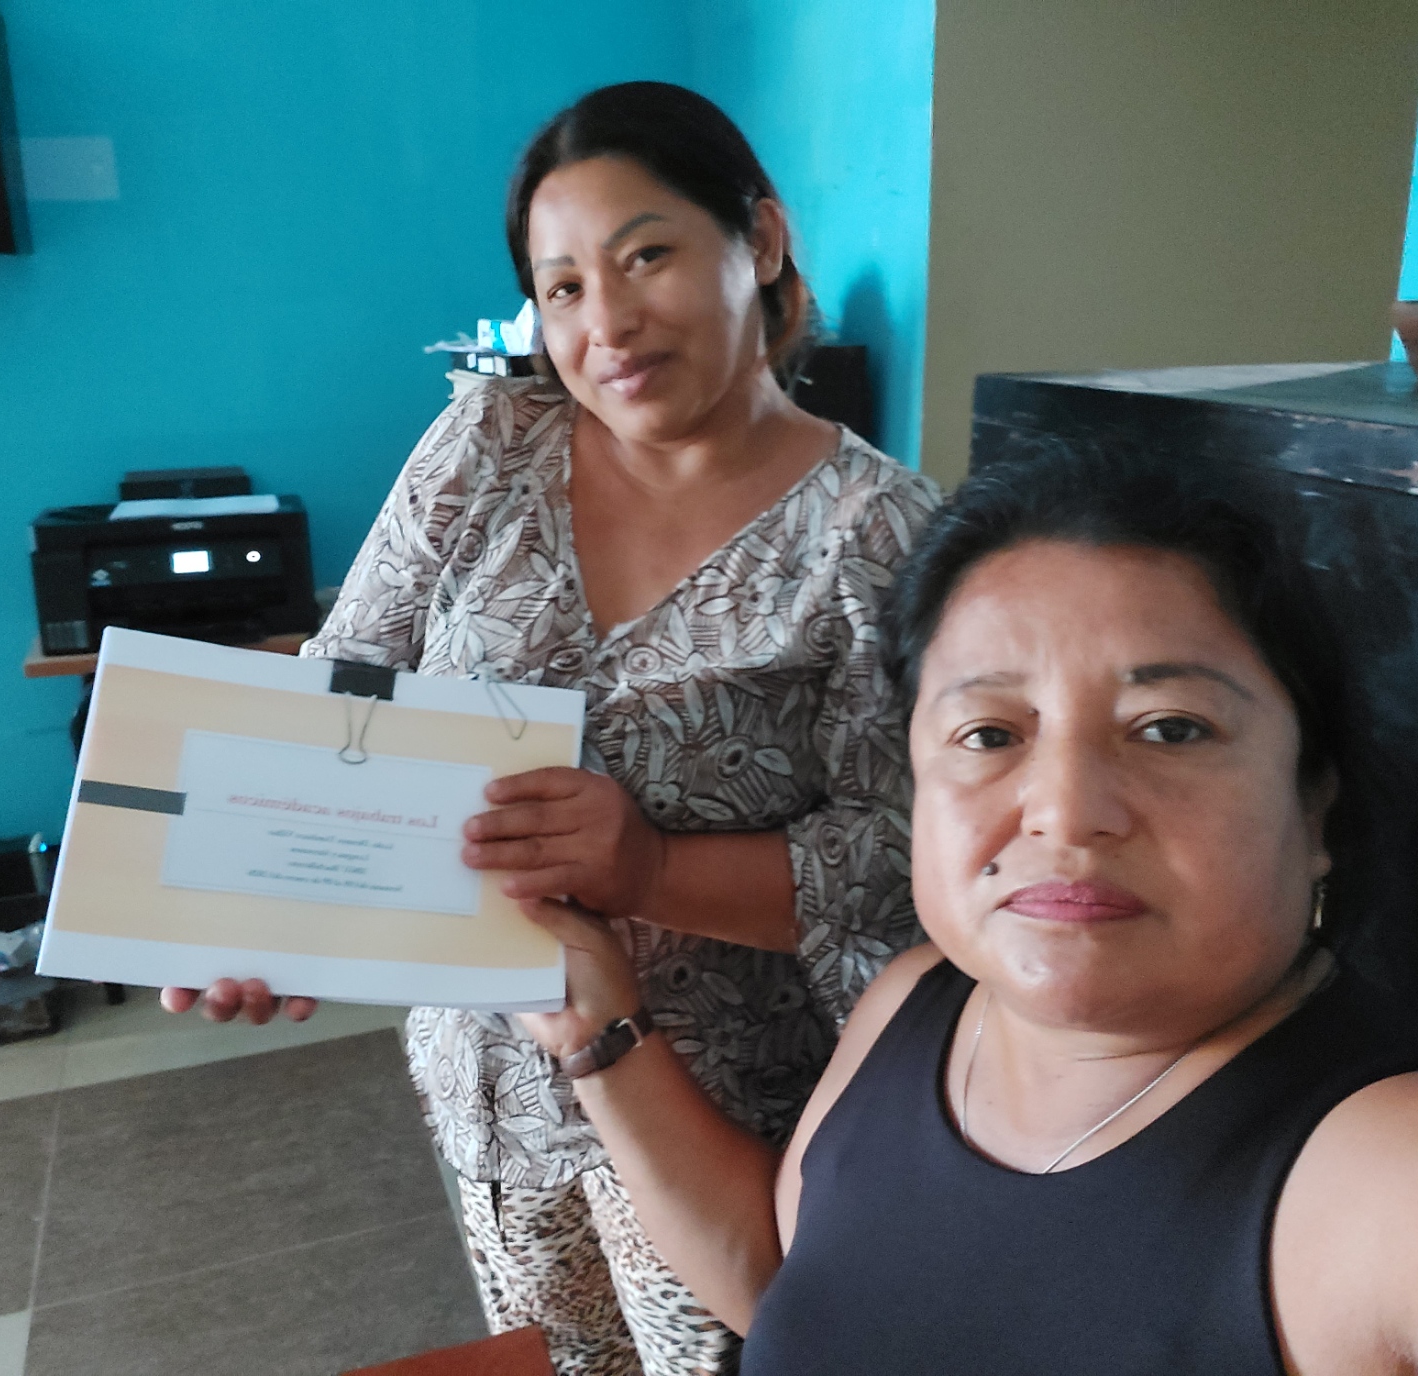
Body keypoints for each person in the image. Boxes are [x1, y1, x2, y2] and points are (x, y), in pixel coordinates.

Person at [513, 444, 1418, 1374]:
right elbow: (787, 1286)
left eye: (1169, 727)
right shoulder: (915, 1004)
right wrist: (596, 1030)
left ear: (1315, 803)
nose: (1065, 809)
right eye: (990, 734)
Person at [162, 81, 938, 1376]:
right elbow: (343, 696)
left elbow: (900, 860)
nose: (606, 321)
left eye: (646, 256)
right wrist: (270, 908)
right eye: (562, 285)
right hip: (492, 1090)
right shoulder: (488, 444)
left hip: (718, 1128)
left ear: (758, 238)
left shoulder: (879, 534)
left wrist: (653, 869)